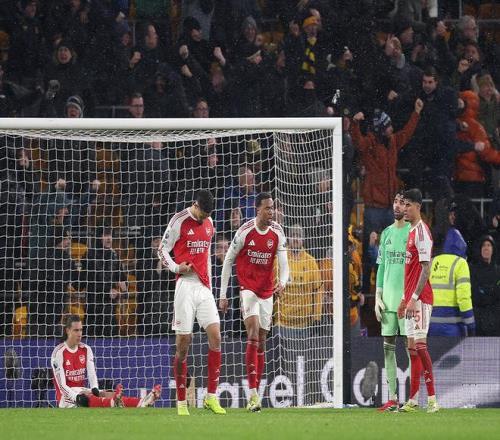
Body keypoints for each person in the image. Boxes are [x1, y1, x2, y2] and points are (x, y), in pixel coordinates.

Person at [218, 193, 289, 412]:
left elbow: (284, 264)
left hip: (267, 291)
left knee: (262, 340)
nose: (271, 212)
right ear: (257, 209)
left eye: (272, 208)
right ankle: (253, 395)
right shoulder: (244, 231)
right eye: (267, 208)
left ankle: (255, 394)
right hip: (248, 288)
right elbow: (228, 260)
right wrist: (222, 294)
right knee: (253, 333)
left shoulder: (277, 232)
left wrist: (283, 282)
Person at [158, 189, 225, 416]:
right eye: (202, 214)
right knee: (183, 344)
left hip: (204, 287)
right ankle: (181, 402)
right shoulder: (179, 220)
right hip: (185, 286)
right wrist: (177, 267)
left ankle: (211, 397)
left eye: (207, 215)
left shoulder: (210, 223)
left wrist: (211, 290)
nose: (204, 218)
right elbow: (162, 250)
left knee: (216, 337)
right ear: (195, 205)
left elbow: (206, 257)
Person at [351, 98, 423, 293]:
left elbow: (406, 133)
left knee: (394, 249)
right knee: (370, 250)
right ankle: (366, 291)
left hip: (391, 207)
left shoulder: (392, 142)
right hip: (374, 208)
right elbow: (358, 143)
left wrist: (416, 113)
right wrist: (355, 124)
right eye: (388, 126)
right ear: (381, 129)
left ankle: (393, 288)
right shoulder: (370, 144)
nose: (392, 128)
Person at [51, 315, 161, 408]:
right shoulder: (58, 353)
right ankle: (113, 403)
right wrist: (77, 397)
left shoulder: (86, 349)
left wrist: (95, 388)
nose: (79, 334)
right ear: (67, 330)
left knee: (108, 394)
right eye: (76, 330)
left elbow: (92, 374)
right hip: (66, 398)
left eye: (81, 330)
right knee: (92, 397)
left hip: (81, 391)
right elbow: (62, 387)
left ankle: (142, 402)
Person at [398, 189, 439, 413]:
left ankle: (432, 400)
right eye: (403, 204)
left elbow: (425, 269)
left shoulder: (422, 232)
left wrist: (413, 298)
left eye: (408, 205)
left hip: (421, 298)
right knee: (412, 349)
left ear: (418, 207)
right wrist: (404, 299)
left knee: (421, 346)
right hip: (411, 299)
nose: (404, 209)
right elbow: (410, 271)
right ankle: (413, 400)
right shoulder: (411, 231)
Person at [374, 192, 411, 411]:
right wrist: (378, 296)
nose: (397, 206)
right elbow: (381, 266)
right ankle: (393, 398)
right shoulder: (386, 233)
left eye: (402, 203)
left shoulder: (412, 232)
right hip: (388, 301)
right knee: (388, 347)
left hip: (406, 302)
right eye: (396, 201)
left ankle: (413, 398)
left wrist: (411, 297)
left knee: (410, 348)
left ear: (408, 207)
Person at [429, 230, 475, 336]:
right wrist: (471, 325)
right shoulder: (460, 263)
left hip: (430, 326)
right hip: (453, 328)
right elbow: (463, 298)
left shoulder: (432, 261)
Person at [470, 235, 500, 336]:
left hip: (496, 322)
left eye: (489, 245)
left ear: (493, 249)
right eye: (483, 245)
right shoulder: (473, 270)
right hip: (479, 321)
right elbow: (474, 294)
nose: (486, 248)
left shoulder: (498, 271)